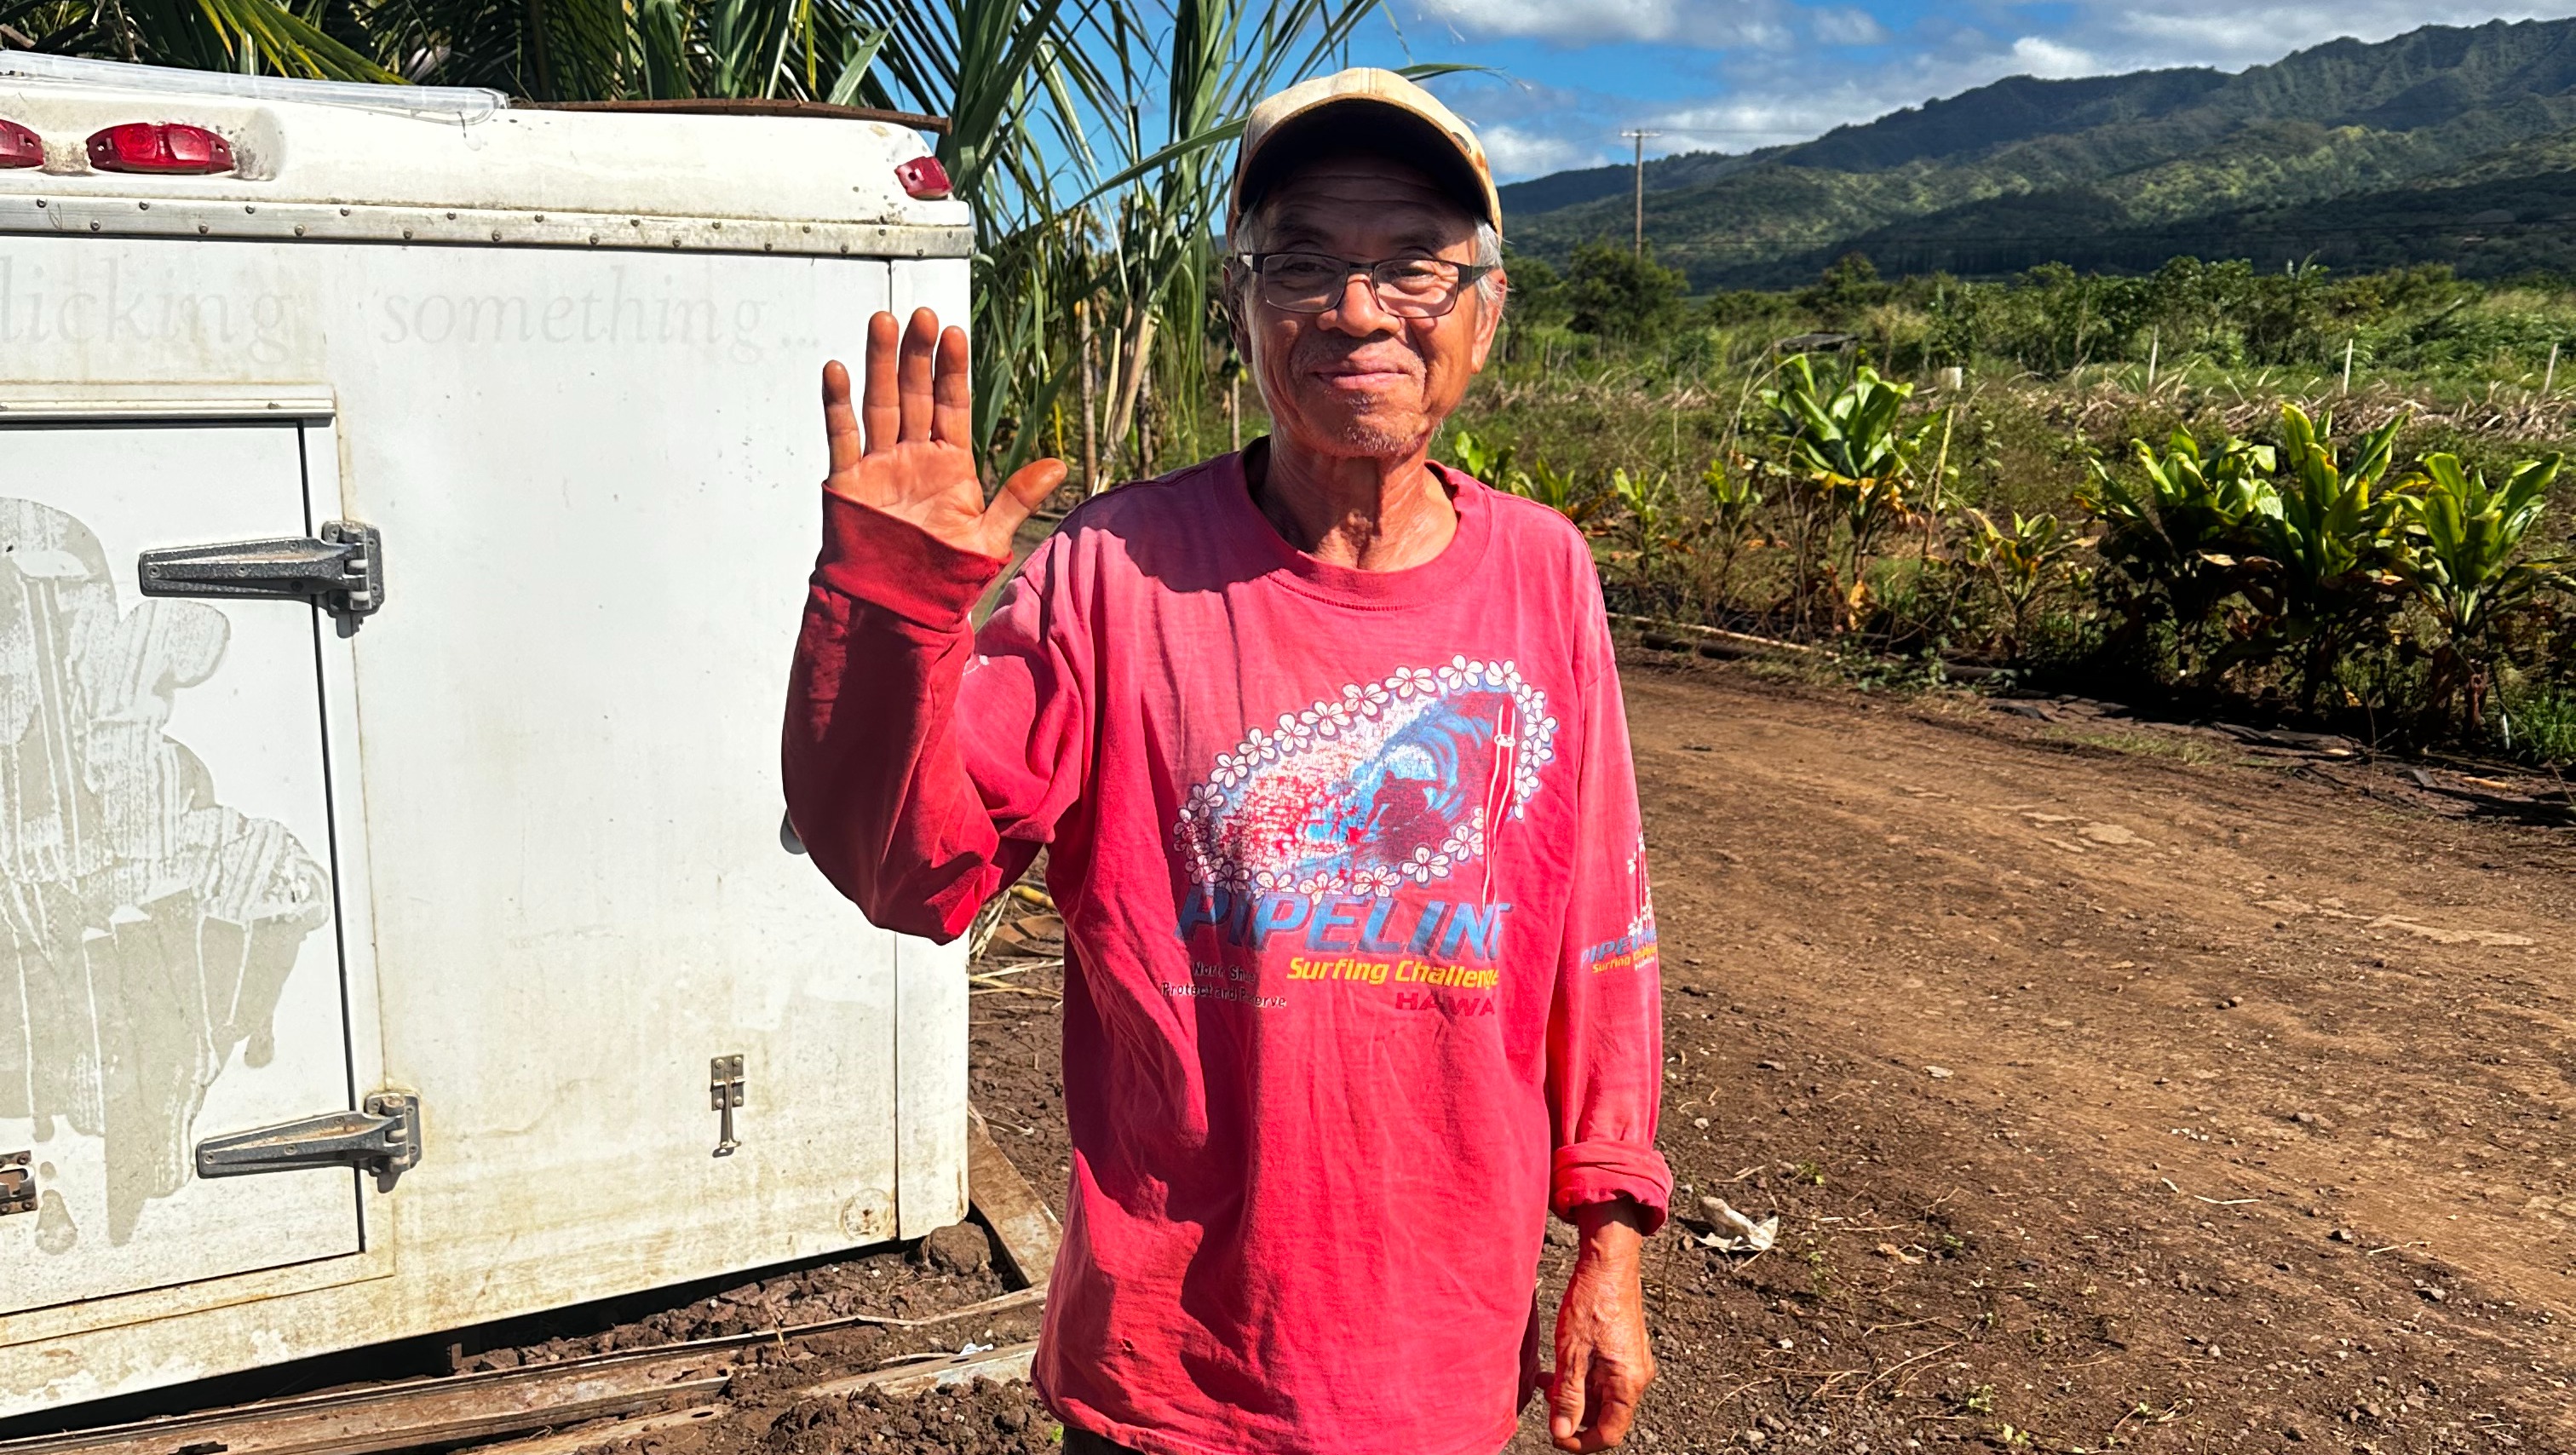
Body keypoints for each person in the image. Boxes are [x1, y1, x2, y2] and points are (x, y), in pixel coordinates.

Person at [781, 67, 1669, 1455]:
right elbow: (915, 872)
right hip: (1172, 1372)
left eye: (1414, 267)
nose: (1357, 308)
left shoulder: (1544, 575)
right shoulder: (1113, 574)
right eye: (1301, 261)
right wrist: (893, 613)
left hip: (1440, 1356)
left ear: (1485, 314)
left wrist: (1609, 1234)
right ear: (1243, 308)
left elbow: (1597, 932)